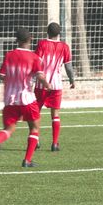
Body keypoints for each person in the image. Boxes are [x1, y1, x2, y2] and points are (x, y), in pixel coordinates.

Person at [0, 27, 50, 167]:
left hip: (10, 99)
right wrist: (47, 84)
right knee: (35, 127)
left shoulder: (9, 55)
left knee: (8, 129)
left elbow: (1, 75)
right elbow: (40, 76)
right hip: (27, 98)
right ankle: (27, 160)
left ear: (16, 40)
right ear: (31, 39)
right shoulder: (35, 58)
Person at [34, 22, 74, 151]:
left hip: (42, 84)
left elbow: (36, 62)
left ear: (47, 32)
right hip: (56, 85)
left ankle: (35, 139)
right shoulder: (64, 46)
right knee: (55, 115)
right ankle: (55, 143)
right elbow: (68, 66)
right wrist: (72, 80)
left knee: (36, 113)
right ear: (59, 33)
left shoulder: (42, 44)